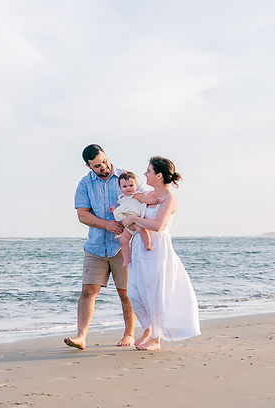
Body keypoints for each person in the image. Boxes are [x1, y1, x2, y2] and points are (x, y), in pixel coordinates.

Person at [122, 156, 201, 351]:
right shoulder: (146, 195)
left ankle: (156, 339)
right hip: (140, 246)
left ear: (158, 175)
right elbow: (132, 207)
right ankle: (148, 328)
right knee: (134, 291)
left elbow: (157, 225)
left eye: (148, 171)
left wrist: (134, 219)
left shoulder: (169, 199)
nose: (145, 174)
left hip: (157, 249)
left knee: (154, 292)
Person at [63, 144, 137, 350]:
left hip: (123, 246)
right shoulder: (85, 184)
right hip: (95, 246)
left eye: (104, 161)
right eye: (97, 166)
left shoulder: (125, 177)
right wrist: (107, 224)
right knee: (88, 290)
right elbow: (82, 214)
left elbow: (141, 204)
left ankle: (129, 334)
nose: (104, 167)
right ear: (89, 167)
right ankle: (81, 337)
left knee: (126, 292)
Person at [111, 172, 153, 268]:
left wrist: (154, 201)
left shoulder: (138, 195)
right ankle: (126, 258)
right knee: (123, 240)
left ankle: (148, 244)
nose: (128, 188)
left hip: (136, 221)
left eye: (131, 185)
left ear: (136, 185)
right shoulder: (121, 198)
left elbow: (147, 200)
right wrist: (114, 210)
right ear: (120, 188)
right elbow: (122, 208)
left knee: (142, 230)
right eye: (125, 186)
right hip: (127, 225)